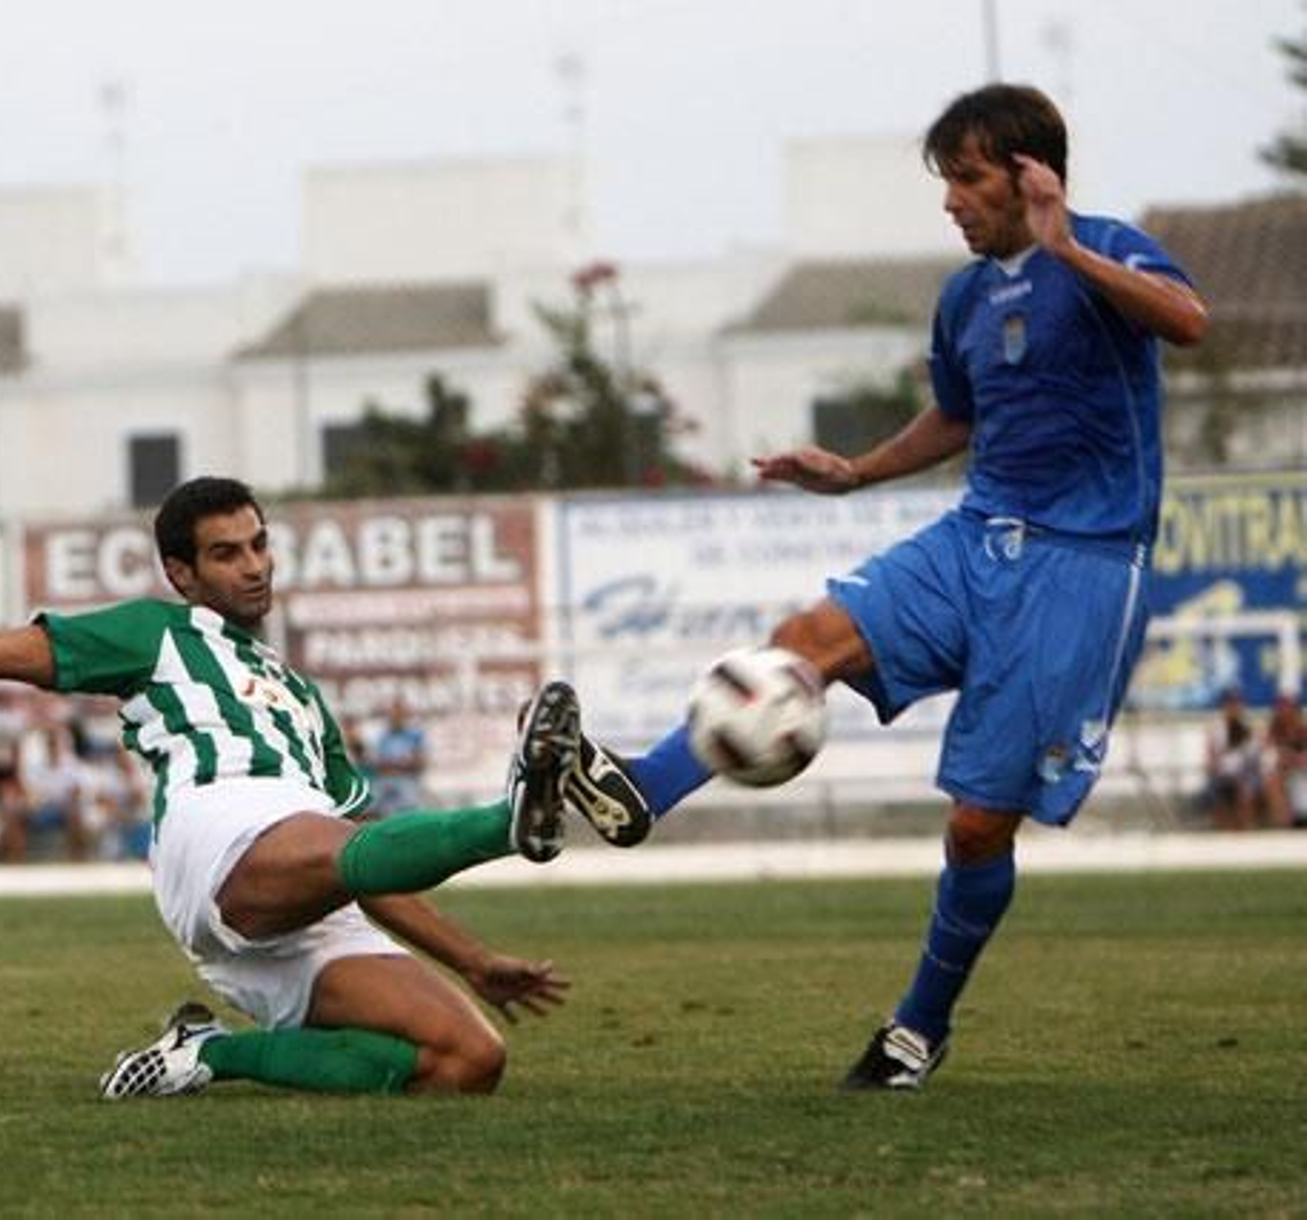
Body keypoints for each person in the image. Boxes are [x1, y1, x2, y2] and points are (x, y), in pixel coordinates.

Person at [558, 83, 1208, 1091]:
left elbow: (1189, 320)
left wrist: (1066, 244)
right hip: (972, 534)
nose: (950, 200)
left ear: (1032, 174)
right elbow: (958, 415)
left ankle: (916, 1027)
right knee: (800, 639)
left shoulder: (1108, 246)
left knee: (976, 824)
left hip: (1082, 562)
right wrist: (856, 470)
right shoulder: (964, 297)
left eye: (967, 178)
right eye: (945, 180)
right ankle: (644, 787)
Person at [0, 475, 588, 1099]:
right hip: (217, 827)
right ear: (182, 573)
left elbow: (369, 861)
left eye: (259, 545)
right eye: (227, 554)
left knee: (468, 1061)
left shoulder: (303, 698)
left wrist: (474, 962)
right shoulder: (154, 634)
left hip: (307, 882)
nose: (254, 566)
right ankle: (508, 818)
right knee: (334, 846)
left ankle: (206, 1054)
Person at [8, 725, 92, 862]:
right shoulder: (36, 767)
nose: (53, 747)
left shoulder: (74, 766)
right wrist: (33, 802)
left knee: (76, 815)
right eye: (50, 743)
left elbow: (77, 793)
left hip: (64, 810)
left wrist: (65, 803)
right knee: (16, 813)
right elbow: (30, 793)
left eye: (55, 743)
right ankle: (16, 861)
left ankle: (78, 860)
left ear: (63, 745)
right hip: (42, 808)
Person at [1205, 688, 1262, 830]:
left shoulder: (1251, 728)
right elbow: (1210, 762)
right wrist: (1217, 763)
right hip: (1222, 775)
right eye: (1230, 703)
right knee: (1215, 791)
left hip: (1246, 774)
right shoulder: (1215, 729)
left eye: (1236, 703)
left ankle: (1244, 830)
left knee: (1244, 789)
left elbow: (1255, 760)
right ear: (1224, 706)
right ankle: (1226, 833)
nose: (1233, 707)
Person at [369, 698, 429, 815]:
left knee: (410, 803)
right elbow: (376, 763)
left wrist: (394, 764)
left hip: (407, 781)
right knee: (371, 805)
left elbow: (420, 762)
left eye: (399, 714)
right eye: (392, 714)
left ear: (405, 716)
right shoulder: (383, 736)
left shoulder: (415, 735)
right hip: (385, 781)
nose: (395, 717)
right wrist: (400, 763)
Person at [1260, 690, 1307, 829]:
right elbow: (1267, 761)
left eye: (1288, 707)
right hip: (1283, 779)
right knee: (1273, 780)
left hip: (1301, 778)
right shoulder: (1270, 734)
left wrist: (1296, 759)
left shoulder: (1304, 732)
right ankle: (1285, 827)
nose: (1285, 711)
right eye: (1281, 707)